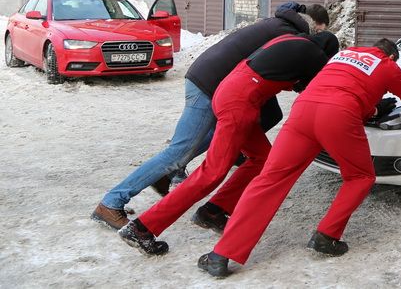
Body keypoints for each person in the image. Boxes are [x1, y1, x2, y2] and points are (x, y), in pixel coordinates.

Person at [196, 39, 401, 277]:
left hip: (303, 112)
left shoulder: (343, 55)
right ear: (392, 56)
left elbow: (340, 86)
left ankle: (221, 255)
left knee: (269, 179)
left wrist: (372, 108)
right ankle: (327, 236)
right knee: (360, 176)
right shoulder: (386, 65)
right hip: (338, 115)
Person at [91, 3, 330, 230]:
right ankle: (111, 203)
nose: (317, 37)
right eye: (320, 31)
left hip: (216, 80)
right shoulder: (287, 34)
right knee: (178, 151)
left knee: (260, 118)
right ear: (315, 25)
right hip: (210, 85)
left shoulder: (279, 23)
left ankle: (168, 174)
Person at [118, 31, 340, 255]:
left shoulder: (291, 40)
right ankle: (142, 228)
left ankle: (214, 211)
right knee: (211, 173)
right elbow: (315, 91)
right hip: (241, 101)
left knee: (262, 158)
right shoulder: (316, 55)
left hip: (230, 90)